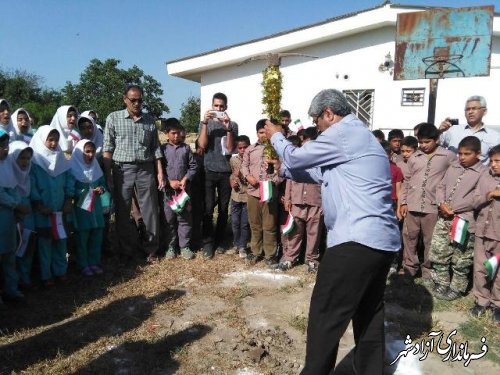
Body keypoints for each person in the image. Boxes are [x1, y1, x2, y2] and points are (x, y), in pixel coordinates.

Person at [265, 89, 400, 374]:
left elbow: (299, 158)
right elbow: (316, 173)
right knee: (369, 314)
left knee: (325, 314)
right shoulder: (359, 139)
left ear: (329, 113)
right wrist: (284, 169)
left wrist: (276, 136)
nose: (318, 129)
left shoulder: (343, 133)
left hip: (356, 241)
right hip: (381, 243)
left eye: (317, 122)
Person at [103, 85, 165, 263]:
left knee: (150, 210)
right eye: (133, 100)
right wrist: (108, 175)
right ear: (125, 99)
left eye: (140, 100)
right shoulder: (113, 118)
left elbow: (155, 148)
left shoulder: (149, 120)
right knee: (123, 212)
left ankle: (151, 249)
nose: (137, 103)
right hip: (122, 170)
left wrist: (159, 171)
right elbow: (107, 148)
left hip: (145, 169)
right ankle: (126, 250)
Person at [429, 136, 486, 301]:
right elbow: (441, 186)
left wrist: (452, 209)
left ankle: (457, 287)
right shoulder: (454, 167)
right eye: (460, 153)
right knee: (439, 252)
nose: (462, 157)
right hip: (444, 217)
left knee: (461, 258)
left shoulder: (483, 172)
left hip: (464, 220)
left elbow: (477, 198)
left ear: (478, 153)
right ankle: (442, 282)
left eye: (467, 154)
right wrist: (441, 203)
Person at [399, 123, 456, 284]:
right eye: (421, 142)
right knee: (410, 237)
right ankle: (410, 267)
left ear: (436, 139)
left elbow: (453, 179)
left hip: (432, 207)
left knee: (430, 240)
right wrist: (403, 202)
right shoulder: (414, 158)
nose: (423, 146)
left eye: (427, 142)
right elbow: (407, 181)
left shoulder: (448, 157)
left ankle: (428, 270)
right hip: (413, 204)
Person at [29, 126, 74, 286]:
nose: (54, 143)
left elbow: (69, 180)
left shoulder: (61, 158)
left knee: (60, 241)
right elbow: (32, 185)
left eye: (56, 140)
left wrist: (68, 200)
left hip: (60, 209)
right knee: (45, 243)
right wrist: (39, 204)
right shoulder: (35, 162)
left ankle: (60, 271)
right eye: (50, 140)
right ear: (42, 140)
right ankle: (46, 275)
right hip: (43, 211)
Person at [197, 92, 239, 258]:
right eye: (216, 106)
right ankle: (208, 242)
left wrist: (228, 127)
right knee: (207, 208)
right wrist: (205, 123)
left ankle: (220, 240)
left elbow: (229, 149)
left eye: (222, 106)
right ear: (212, 106)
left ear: (226, 107)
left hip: (226, 171)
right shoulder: (205, 124)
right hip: (209, 170)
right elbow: (201, 145)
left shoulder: (233, 125)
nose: (219, 109)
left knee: (223, 209)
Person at [279, 131, 322, 273]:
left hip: (315, 202)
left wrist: (325, 204)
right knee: (295, 232)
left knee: (314, 233)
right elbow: (290, 180)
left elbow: (326, 184)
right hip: (297, 201)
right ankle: (290, 257)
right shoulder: (297, 161)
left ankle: (311, 259)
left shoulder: (321, 162)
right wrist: (288, 199)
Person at [241, 119, 283, 268]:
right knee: (255, 224)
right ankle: (256, 251)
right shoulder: (250, 149)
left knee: (269, 225)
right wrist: (248, 177)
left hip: (269, 192)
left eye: (266, 132)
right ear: (257, 133)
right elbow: (244, 166)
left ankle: (270, 254)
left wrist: (274, 181)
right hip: (253, 192)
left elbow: (283, 170)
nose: (263, 135)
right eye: (261, 132)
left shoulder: (276, 150)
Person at [471, 144, 500, 321]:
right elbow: (474, 201)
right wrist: (489, 195)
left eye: (498, 161)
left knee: (498, 273)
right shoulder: (485, 177)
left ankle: (498, 304)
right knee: (480, 268)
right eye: (492, 161)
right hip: (483, 230)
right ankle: (481, 300)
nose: (493, 165)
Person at [70, 140, 107, 276]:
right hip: (82, 209)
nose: (91, 155)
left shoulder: (95, 167)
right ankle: (83, 264)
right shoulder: (73, 168)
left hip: (96, 208)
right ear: (80, 152)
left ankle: (94, 262)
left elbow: (103, 183)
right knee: (82, 237)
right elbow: (70, 189)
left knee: (96, 235)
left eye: (93, 151)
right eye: (87, 151)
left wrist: (101, 189)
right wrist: (85, 193)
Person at [161, 121, 197, 260]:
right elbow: (159, 169)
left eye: (178, 133)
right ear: (166, 134)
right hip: (168, 193)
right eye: (173, 133)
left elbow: (193, 166)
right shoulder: (162, 149)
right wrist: (169, 182)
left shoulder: (186, 148)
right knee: (169, 219)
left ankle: (185, 246)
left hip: (183, 192)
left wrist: (185, 179)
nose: (176, 136)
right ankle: (171, 246)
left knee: (184, 219)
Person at [0, 131, 28, 303]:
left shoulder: (7, 164)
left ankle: (12, 289)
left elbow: (14, 187)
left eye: (6, 145)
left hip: (8, 220)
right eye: (1, 146)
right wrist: (17, 205)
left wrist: (17, 204)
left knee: (9, 256)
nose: (4, 149)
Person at [439, 95, 500, 164]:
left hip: (478, 174)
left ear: (484, 111)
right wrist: (439, 132)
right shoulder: (452, 130)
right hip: (453, 172)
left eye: (474, 108)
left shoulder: (494, 137)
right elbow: (435, 147)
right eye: (467, 109)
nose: (470, 112)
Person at [9, 141, 35, 289]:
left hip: (28, 215)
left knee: (27, 245)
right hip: (11, 217)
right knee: (12, 249)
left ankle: (25, 279)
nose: (25, 162)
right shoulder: (7, 175)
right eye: (21, 158)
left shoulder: (28, 175)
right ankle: (13, 283)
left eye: (27, 158)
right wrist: (17, 207)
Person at [229, 135, 250, 258]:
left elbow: (253, 180)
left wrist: (241, 176)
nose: (242, 150)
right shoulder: (233, 160)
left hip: (247, 197)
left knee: (244, 223)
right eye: (240, 148)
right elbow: (231, 175)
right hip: (235, 196)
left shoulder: (251, 160)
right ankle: (236, 244)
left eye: (245, 147)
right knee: (235, 222)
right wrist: (232, 181)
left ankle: (243, 246)